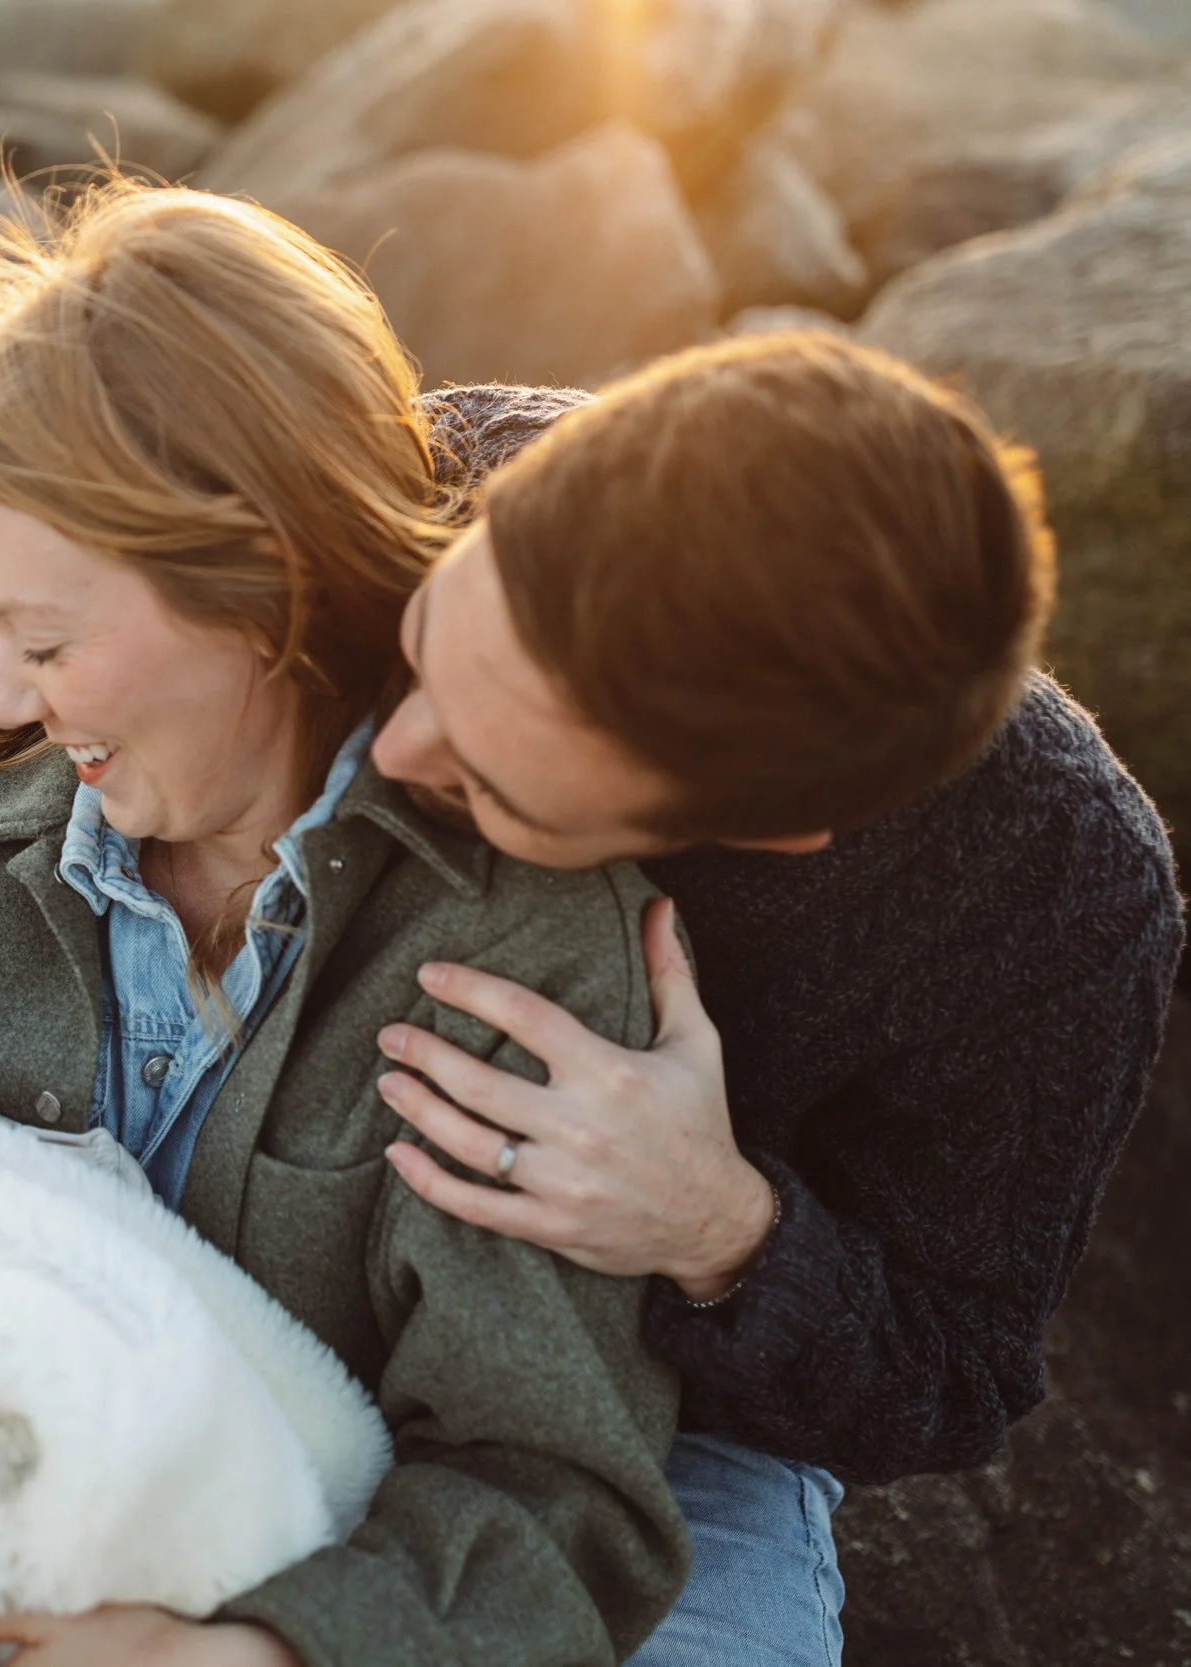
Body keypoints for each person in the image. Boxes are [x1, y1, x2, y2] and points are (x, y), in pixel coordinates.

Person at [0, 180, 690, 1667]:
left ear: (261, 585)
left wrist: (262, 1649)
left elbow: (556, 1491)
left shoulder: (517, 953)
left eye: (44, 638)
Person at [361, 336, 1185, 1666]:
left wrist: (719, 1227)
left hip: (659, 1420)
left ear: (765, 828)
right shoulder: (411, 465)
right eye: (419, 647)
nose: (394, 747)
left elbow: (955, 1371)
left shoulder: (1062, 899)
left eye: (492, 784)